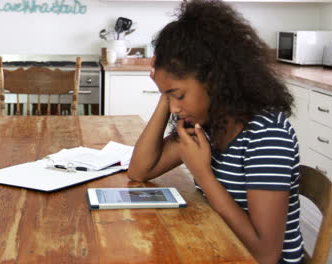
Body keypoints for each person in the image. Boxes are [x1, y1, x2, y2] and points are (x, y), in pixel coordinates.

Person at [127, 0, 303, 263]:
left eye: (179, 95)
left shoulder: (267, 137)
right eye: (168, 97)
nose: (175, 108)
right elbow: (140, 171)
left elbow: (265, 255)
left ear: (215, 81)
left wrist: (203, 174)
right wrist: (167, 94)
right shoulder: (208, 123)